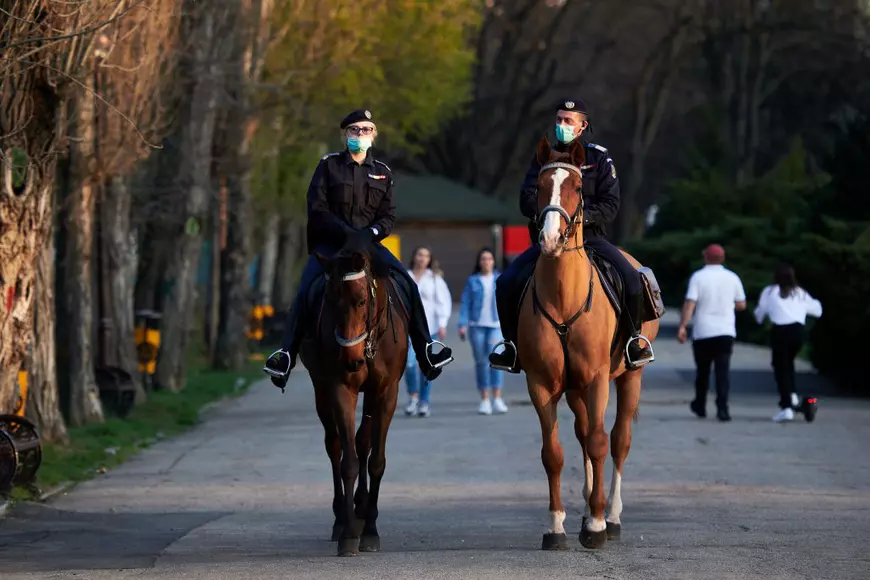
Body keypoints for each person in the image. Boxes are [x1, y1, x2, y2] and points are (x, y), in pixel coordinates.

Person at [263, 109, 453, 389]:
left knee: (408, 285)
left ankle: (426, 350)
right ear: (345, 135)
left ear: (373, 135)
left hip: (368, 243)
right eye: (354, 130)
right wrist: (345, 232)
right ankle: (286, 355)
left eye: (365, 130)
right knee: (305, 290)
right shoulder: (328, 166)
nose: (360, 134)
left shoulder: (383, 173)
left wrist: (370, 233)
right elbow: (317, 207)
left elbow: (388, 216)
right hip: (332, 245)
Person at [489, 98, 654, 373]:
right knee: (505, 282)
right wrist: (550, 217)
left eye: (568, 120)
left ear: (582, 126)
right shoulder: (543, 157)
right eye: (559, 120)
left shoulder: (599, 158)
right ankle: (511, 346)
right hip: (549, 237)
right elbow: (526, 198)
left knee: (631, 278)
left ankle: (634, 340)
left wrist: (578, 220)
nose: (561, 125)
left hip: (589, 237)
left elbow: (610, 204)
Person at [677, 244, 747, 422]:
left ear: (706, 257)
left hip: (703, 331)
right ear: (722, 258)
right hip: (726, 331)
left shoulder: (698, 277)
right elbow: (741, 304)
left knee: (703, 371)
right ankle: (723, 408)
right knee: (723, 372)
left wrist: (683, 326)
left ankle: (700, 405)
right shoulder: (732, 277)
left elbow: (690, 303)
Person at [754, 262, 823, 423]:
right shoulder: (800, 293)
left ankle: (786, 408)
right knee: (788, 364)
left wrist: (763, 314)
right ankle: (792, 396)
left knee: (780, 368)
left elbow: (759, 315)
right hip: (798, 332)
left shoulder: (769, 292)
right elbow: (818, 311)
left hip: (780, 332)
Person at [403, 246, 452, 418]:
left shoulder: (434, 279)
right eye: (419, 254)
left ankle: (424, 401)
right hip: (408, 329)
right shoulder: (406, 276)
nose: (422, 258)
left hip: (429, 330)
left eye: (426, 256)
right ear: (414, 257)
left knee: (427, 366)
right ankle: (413, 397)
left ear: (430, 259)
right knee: (409, 365)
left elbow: (443, 302)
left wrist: (442, 323)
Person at [458, 248, 508, 415]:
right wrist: (462, 324)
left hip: (495, 325)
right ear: (479, 262)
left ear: (494, 261)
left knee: (497, 361)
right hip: (476, 325)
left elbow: (507, 301)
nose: (486, 262)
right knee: (481, 362)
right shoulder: (473, 281)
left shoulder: (500, 278)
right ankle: (485, 399)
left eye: (489, 259)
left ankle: (497, 398)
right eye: (483, 259)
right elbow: (465, 303)